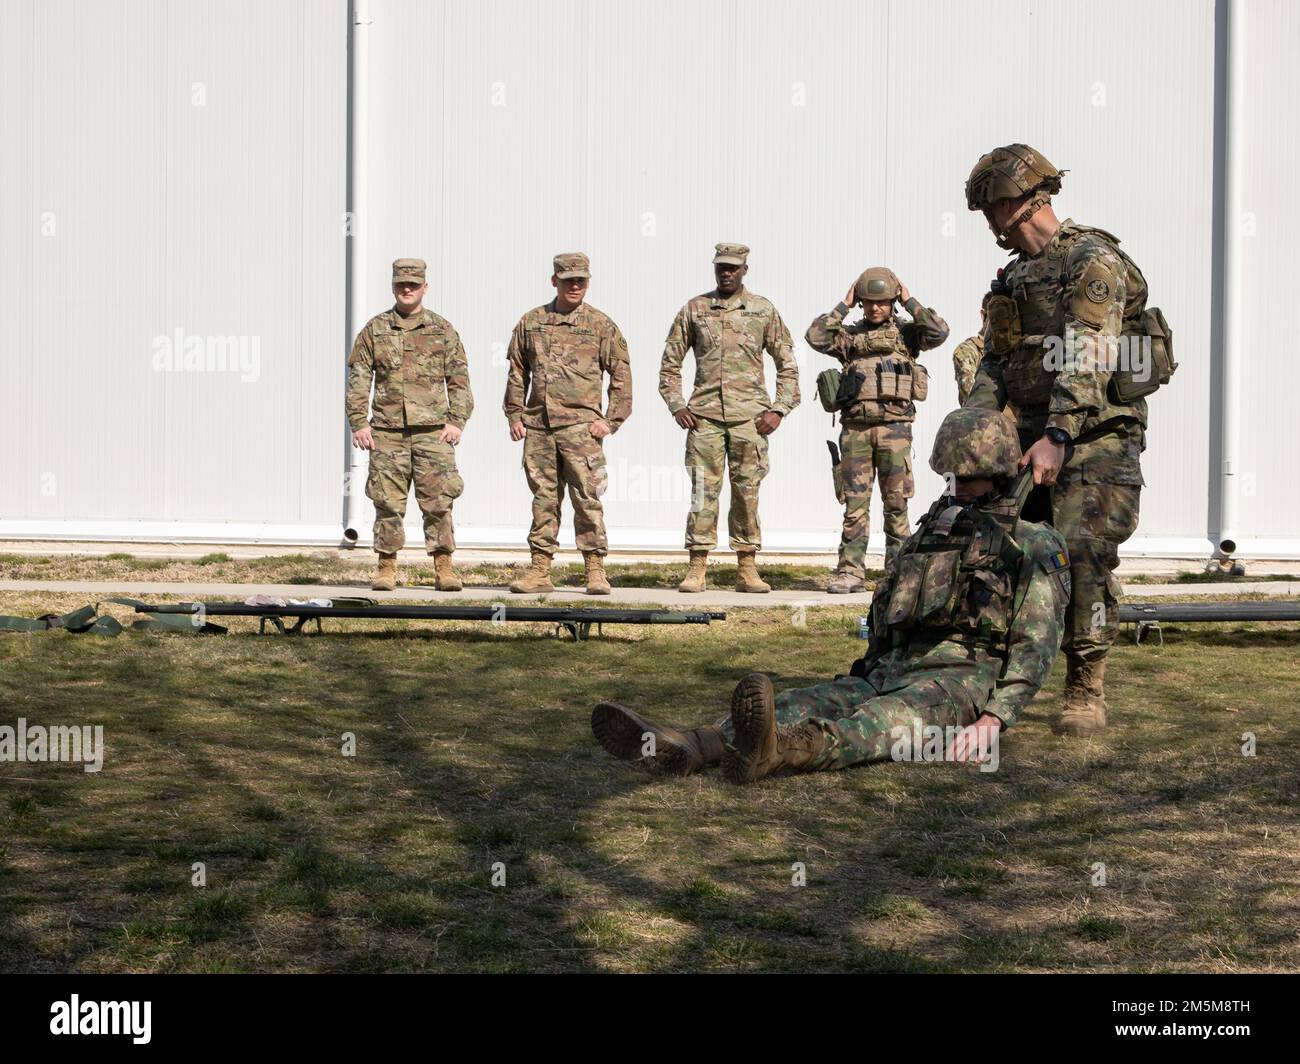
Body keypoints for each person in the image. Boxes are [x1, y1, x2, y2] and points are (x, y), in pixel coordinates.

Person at [592, 409, 1071, 782]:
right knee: (804, 701)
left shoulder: (1030, 542)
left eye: (971, 478)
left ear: (1000, 472)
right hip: (889, 670)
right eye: (953, 478)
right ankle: (694, 745)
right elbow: (888, 611)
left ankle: (777, 754)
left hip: (957, 683)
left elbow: (1038, 641)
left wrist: (993, 719)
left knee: (875, 725)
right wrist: (870, 669)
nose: (959, 488)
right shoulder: (932, 531)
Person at [964, 143, 1161, 735]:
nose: (989, 222)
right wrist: (972, 432)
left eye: (990, 209)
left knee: (1084, 559)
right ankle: (996, 680)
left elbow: (1088, 352)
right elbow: (994, 364)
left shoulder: (1091, 259)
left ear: (1015, 202)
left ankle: (1085, 686)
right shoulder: (1015, 278)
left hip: (1094, 438)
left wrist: (1057, 433)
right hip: (1027, 438)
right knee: (1005, 554)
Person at [659, 243, 800, 594]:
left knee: (747, 493)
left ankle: (747, 568)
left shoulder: (762, 311)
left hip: (750, 420)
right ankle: (697, 567)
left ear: (744, 270)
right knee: (702, 492)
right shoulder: (695, 310)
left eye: (733, 268)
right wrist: (677, 404)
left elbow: (789, 365)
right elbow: (669, 364)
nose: (727, 272)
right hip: (704, 419)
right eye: (721, 267)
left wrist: (778, 409)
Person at [806, 268, 949, 591]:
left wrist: (910, 301)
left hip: (895, 431)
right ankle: (851, 572)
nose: (875, 309)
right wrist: (843, 305)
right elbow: (815, 336)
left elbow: (939, 332)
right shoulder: (849, 337)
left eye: (882, 302)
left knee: (896, 504)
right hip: (856, 431)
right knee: (854, 505)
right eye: (868, 302)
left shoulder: (907, 335)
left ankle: (898, 573)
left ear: (892, 301)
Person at [503, 253, 632, 595]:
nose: (575, 286)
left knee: (587, 498)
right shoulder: (531, 323)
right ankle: (540, 570)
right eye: (568, 280)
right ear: (554, 281)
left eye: (581, 280)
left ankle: (594, 570)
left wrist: (611, 421)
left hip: (581, 430)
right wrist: (515, 414)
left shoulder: (601, 325)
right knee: (543, 499)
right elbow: (517, 372)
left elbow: (621, 374)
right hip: (540, 428)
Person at [346, 258, 473, 592]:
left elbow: (459, 381)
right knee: (387, 502)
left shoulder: (442, 330)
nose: (407, 290)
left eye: (413, 285)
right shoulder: (375, 330)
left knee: (439, 502)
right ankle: (386, 567)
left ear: (424, 288)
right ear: (393, 287)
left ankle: (444, 567)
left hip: (433, 432)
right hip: (387, 433)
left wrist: (456, 421)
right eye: (402, 284)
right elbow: (358, 380)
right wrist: (359, 422)